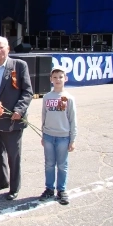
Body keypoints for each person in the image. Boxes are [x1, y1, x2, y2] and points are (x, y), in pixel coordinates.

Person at [0, 36, 33, 200]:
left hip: (12, 117)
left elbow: (28, 91)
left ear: (8, 48)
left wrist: (19, 110)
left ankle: (14, 188)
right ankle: (0, 181)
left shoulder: (19, 66)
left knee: (13, 155)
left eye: (1, 47)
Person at [39, 66, 77, 205]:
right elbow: (44, 115)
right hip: (49, 136)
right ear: (51, 80)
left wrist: (72, 139)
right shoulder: (47, 97)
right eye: (55, 77)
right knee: (49, 164)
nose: (58, 79)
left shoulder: (69, 98)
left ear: (65, 79)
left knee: (62, 165)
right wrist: (43, 134)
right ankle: (49, 189)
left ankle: (61, 190)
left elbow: (73, 120)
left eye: (60, 77)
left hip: (63, 137)